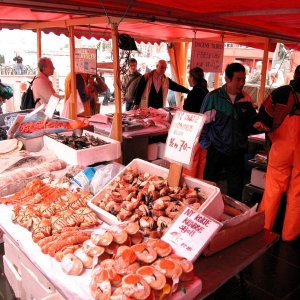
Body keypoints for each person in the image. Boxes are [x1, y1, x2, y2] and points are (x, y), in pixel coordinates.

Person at [253, 65, 300, 242]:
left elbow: (263, 115)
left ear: (295, 75)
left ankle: (264, 229)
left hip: (281, 147)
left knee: (273, 189)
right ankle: (290, 235)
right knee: (297, 193)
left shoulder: (282, 92)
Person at [200, 63, 258, 201]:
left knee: (236, 191)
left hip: (237, 152)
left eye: (243, 79)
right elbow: (203, 124)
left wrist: (259, 124)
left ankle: (233, 220)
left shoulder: (246, 99)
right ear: (227, 78)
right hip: (216, 150)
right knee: (208, 186)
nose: (242, 83)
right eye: (238, 79)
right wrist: (207, 144)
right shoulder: (213, 97)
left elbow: (252, 123)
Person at [182, 67, 209, 179]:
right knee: (202, 158)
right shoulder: (205, 91)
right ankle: (200, 181)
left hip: (194, 129)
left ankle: (190, 181)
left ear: (193, 78)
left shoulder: (195, 93)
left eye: (189, 77)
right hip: (205, 130)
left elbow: (188, 111)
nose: (188, 79)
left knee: (192, 158)